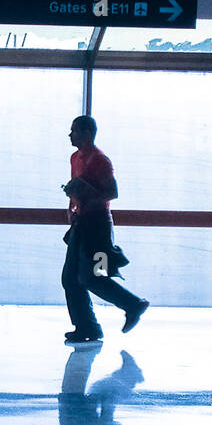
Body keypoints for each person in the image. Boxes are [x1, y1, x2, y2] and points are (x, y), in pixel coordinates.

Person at [61, 114, 148, 344]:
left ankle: (132, 304)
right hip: (81, 225)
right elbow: (74, 188)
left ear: (87, 134)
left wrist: (86, 190)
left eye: (74, 131)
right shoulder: (74, 158)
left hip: (99, 228)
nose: (70, 135)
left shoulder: (101, 161)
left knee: (95, 277)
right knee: (70, 277)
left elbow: (112, 193)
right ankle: (86, 326)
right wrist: (71, 207)